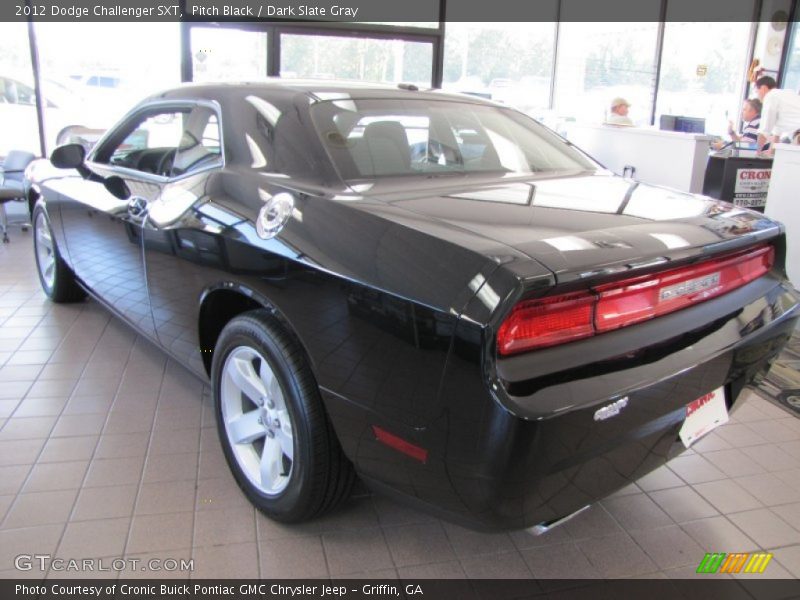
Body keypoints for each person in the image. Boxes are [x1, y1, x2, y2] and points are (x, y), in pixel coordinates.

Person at [756, 76, 800, 152]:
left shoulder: (770, 96)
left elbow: (764, 131)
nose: (757, 95)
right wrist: (770, 152)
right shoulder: (788, 93)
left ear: (763, 88)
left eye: (757, 91)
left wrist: (756, 153)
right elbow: (776, 135)